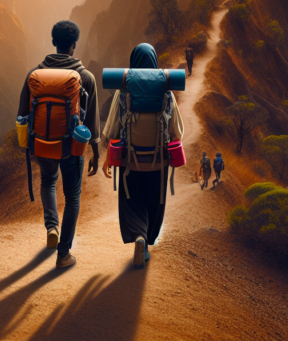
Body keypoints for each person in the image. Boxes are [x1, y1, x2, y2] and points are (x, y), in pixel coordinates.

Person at [17, 20, 100, 269]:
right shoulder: (86, 77)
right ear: (75, 45)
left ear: (54, 42)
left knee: (48, 181)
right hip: (73, 147)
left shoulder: (34, 76)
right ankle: (63, 254)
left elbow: (22, 114)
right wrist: (96, 151)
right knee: (73, 196)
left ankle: (51, 226)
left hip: (44, 143)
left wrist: (28, 145)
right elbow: (93, 122)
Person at [102, 44, 184, 269]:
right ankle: (146, 241)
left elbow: (112, 130)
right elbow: (176, 131)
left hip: (130, 162)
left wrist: (107, 158)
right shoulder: (166, 91)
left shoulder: (123, 91)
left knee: (132, 201)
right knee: (153, 202)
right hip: (158, 164)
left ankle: (138, 237)